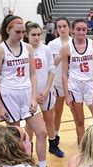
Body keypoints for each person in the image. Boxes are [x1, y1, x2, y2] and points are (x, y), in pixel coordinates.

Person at [0, 15, 61, 167]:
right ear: (8, 30)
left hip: (27, 94)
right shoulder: (0, 50)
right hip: (9, 95)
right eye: (17, 31)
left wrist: (33, 98)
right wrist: (0, 106)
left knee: (42, 132)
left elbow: (33, 75)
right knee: (15, 137)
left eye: (23, 32)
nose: (21, 35)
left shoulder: (28, 48)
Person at [24, 21, 64, 158]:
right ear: (26, 35)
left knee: (49, 120)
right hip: (30, 94)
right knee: (30, 124)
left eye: (38, 34)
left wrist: (47, 90)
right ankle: (27, 150)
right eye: (33, 34)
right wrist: (33, 96)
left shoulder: (45, 49)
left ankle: (53, 145)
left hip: (46, 91)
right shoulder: (24, 50)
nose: (36, 37)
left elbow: (52, 71)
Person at [61, 18, 93, 145]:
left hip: (90, 85)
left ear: (87, 30)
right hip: (74, 87)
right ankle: (82, 148)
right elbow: (64, 74)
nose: (81, 32)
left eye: (84, 29)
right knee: (79, 121)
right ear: (73, 30)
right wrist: (67, 95)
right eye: (78, 29)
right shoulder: (66, 48)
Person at [48, 17, 71, 148]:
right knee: (58, 111)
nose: (62, 29)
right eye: (59, 27)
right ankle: (56, 135)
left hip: (72, 82)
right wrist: (62, 52)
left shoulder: (75, 42)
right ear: (56, 29)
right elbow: (52, 65)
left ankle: (82, 138)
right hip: (57, 81)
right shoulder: (52, 45)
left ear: (69, 28)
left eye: (64, 26)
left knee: (76, 111)